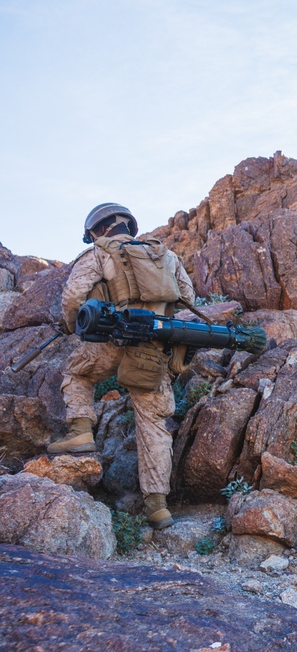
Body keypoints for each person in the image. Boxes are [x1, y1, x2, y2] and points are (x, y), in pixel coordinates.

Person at [49, 202, 196, 530]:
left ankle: (81, 431)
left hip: (112, 343)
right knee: (154, 424)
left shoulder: (100, 253)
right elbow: (188, 299)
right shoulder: (166, 256)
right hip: (153, 350)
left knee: (76, 370)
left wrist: (74, 325)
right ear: (127, 225)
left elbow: (73, 297)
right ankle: (158, 507)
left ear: (99, 230)